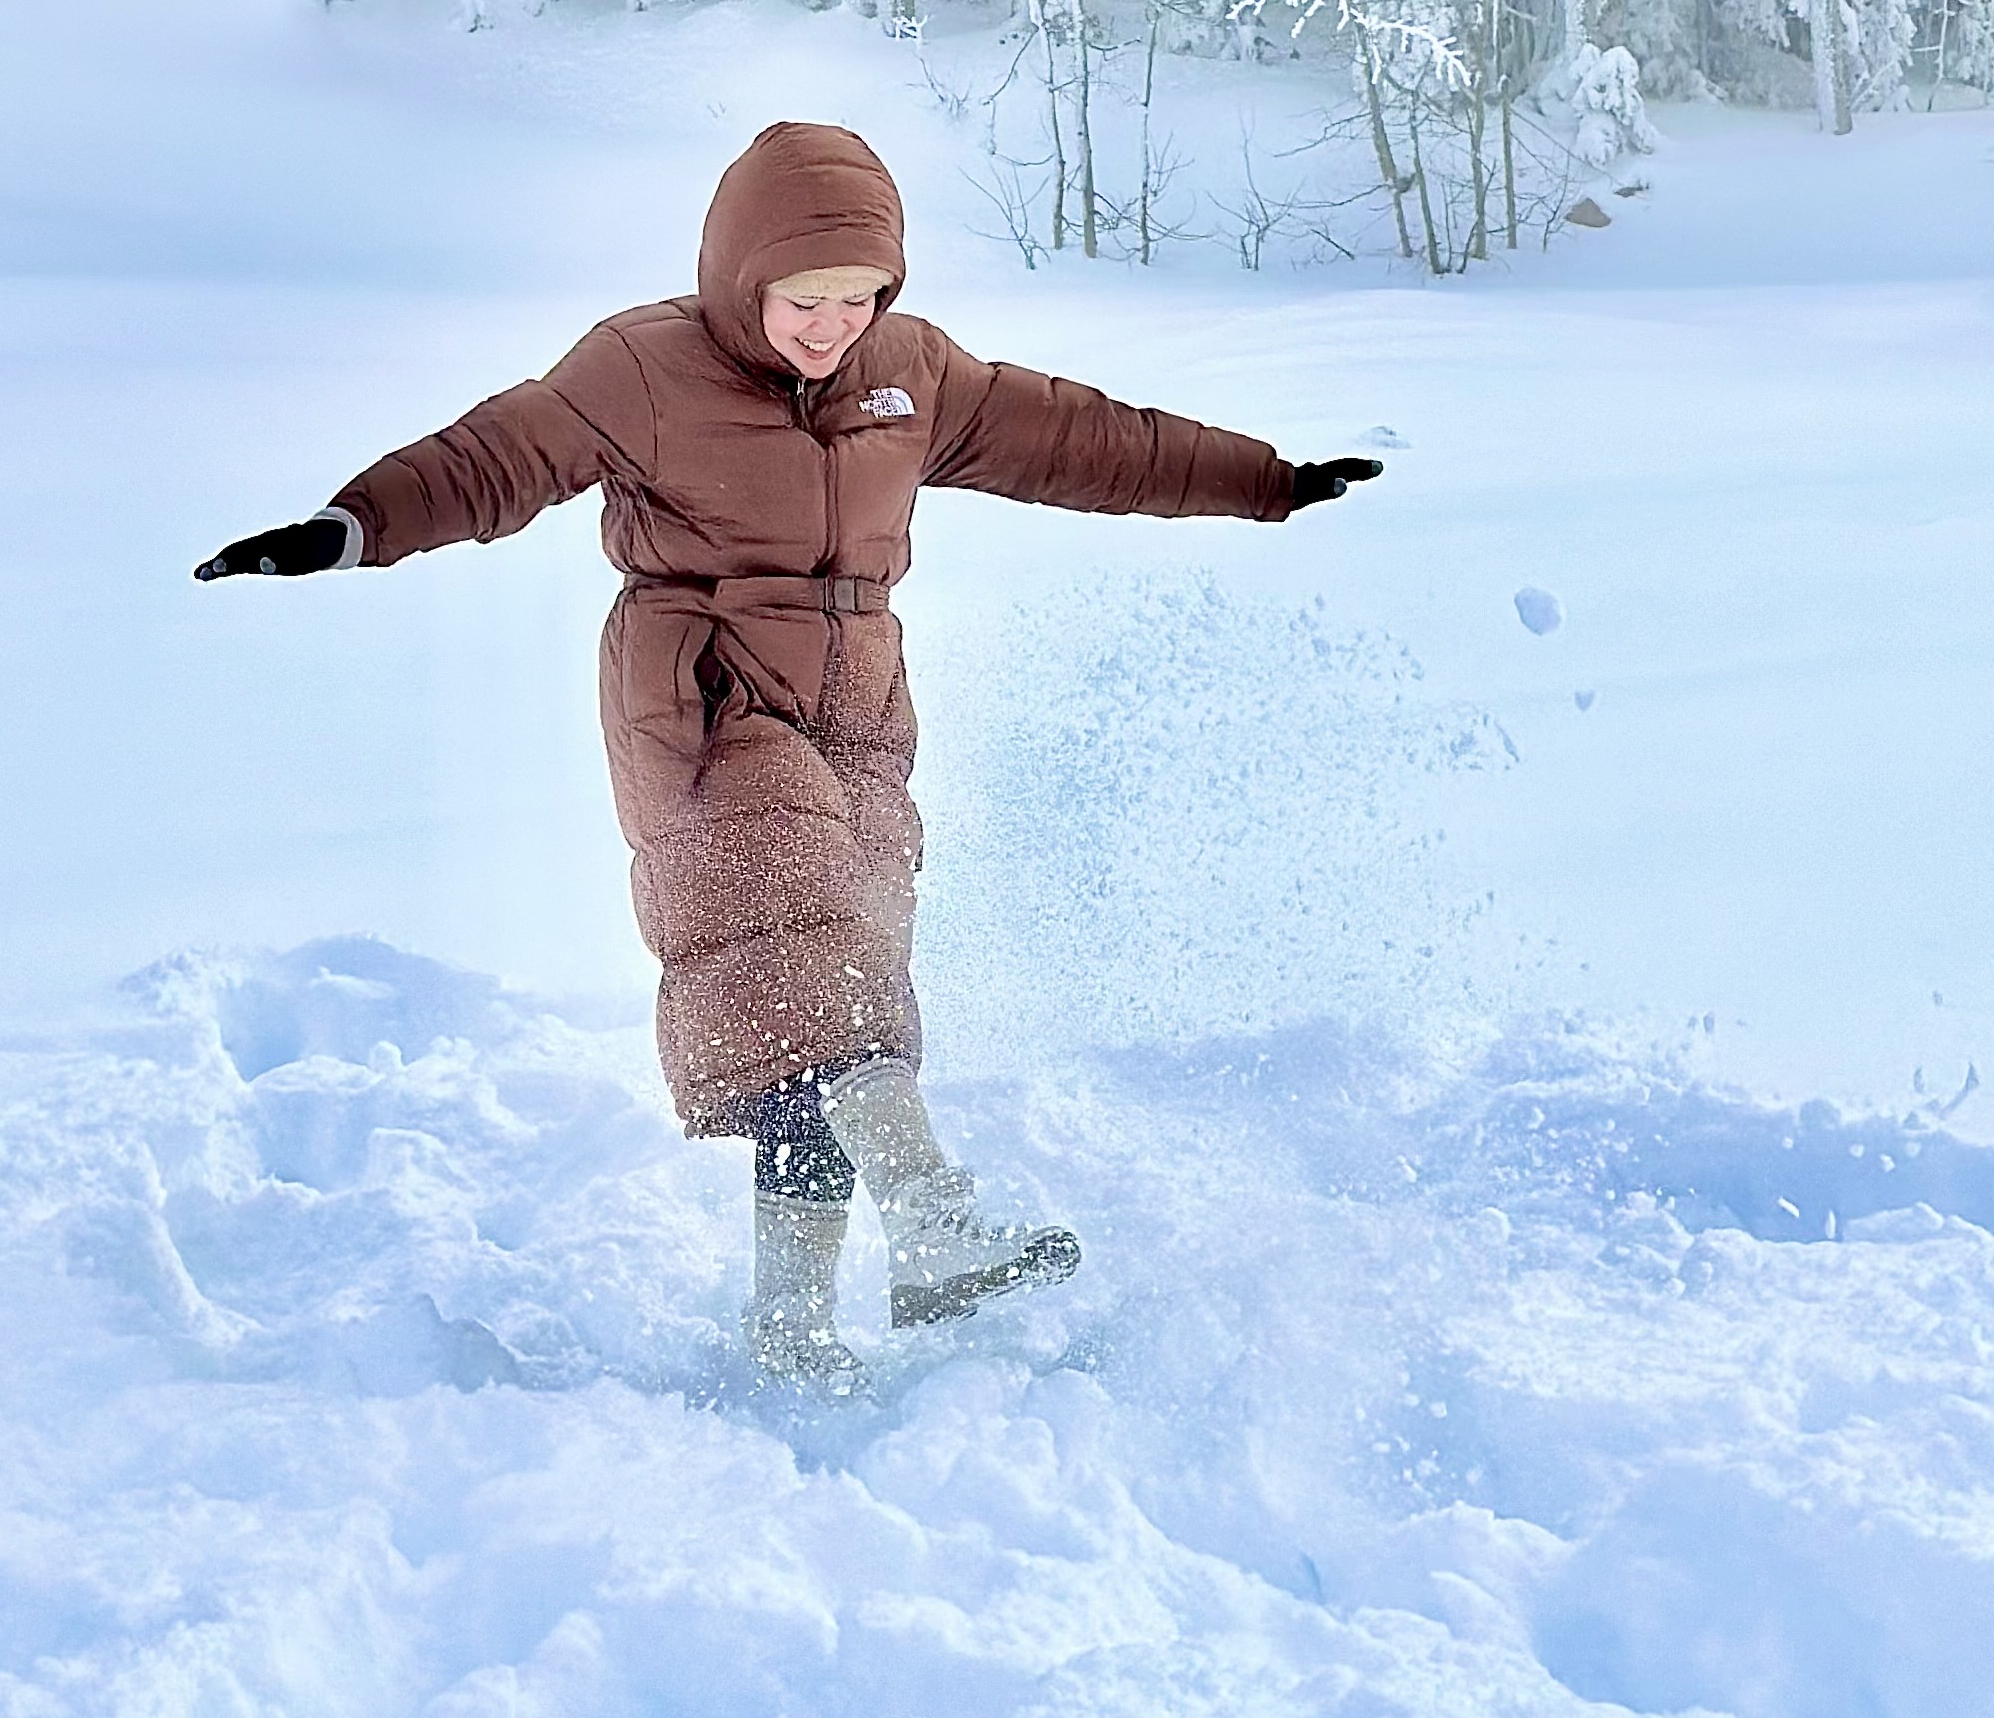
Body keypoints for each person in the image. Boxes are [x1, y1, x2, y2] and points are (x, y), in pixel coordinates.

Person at [197, 118, 1380, 1393]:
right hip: (706, 697)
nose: (829, 327)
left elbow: (1082, 443)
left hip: (859, 709)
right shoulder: (639, 368)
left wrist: (1268, 481)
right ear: (739, 274)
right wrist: (350, 526)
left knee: (808, 1023)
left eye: (858, 299)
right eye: (802, 299)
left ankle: (792, 1326)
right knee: (811, 961)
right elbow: (498, 458)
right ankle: (930, 1218)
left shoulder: (910, 373)